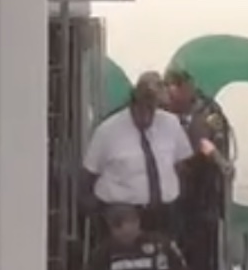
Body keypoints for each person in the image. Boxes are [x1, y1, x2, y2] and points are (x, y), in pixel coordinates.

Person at [80, 71, 193, 239]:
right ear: (134, 103)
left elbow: (182, 165)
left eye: (153, 107)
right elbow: (89, 175)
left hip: (163, 214)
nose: (148, 114)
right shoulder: (108, 131)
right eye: (144, 107)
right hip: (122, 216)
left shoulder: (170, 124)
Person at [164, 67, 233, 270]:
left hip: (200, 200)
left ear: (184, 88)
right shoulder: (162, 111)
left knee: (203, 264)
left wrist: (217, 159)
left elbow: (206, 143)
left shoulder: (206, 112)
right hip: (171, 203)